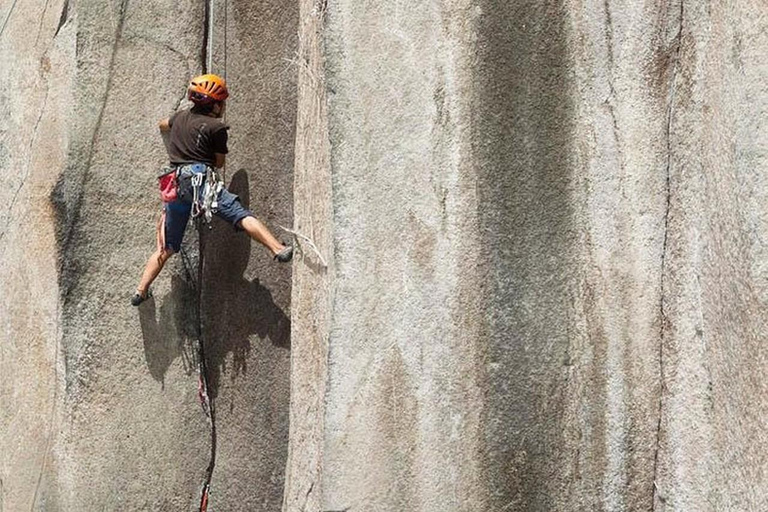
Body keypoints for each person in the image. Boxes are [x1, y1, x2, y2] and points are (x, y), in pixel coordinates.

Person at [131, 73, 293, 306]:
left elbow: (163, 124)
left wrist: (173, 130)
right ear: (216, 105)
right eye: (223, 103)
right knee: (239, 215)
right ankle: (278, 249)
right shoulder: (217, 127)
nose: (224, 107)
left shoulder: (179, 118)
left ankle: (141, 290)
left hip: (175, 186)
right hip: (200, 184)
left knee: (166, 246)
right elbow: (218, 163)